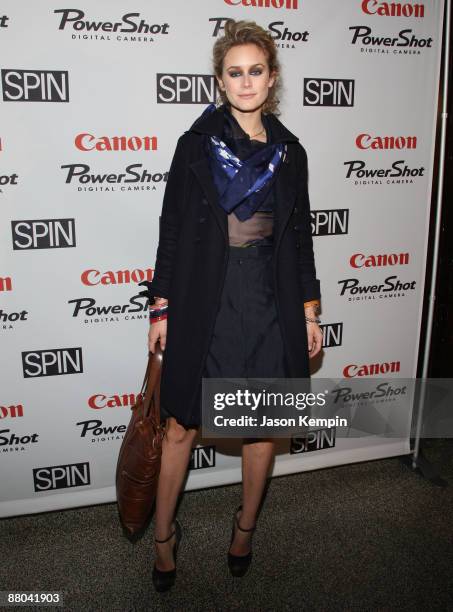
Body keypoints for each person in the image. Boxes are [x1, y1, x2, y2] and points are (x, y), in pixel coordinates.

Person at [144, 19, 322, 592]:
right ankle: (165, 535)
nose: (246, 82)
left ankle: (244, 529)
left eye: (256, 71)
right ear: (221, 81)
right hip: (205, 297)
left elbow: (300, 239)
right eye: (234, 72)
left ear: (271, 79)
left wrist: (309, 311)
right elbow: (172, 230)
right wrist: (161, 307)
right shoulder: (196, 144)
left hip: (270, 300)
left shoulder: (290, 153)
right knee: (178, 427)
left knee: (261, 427)